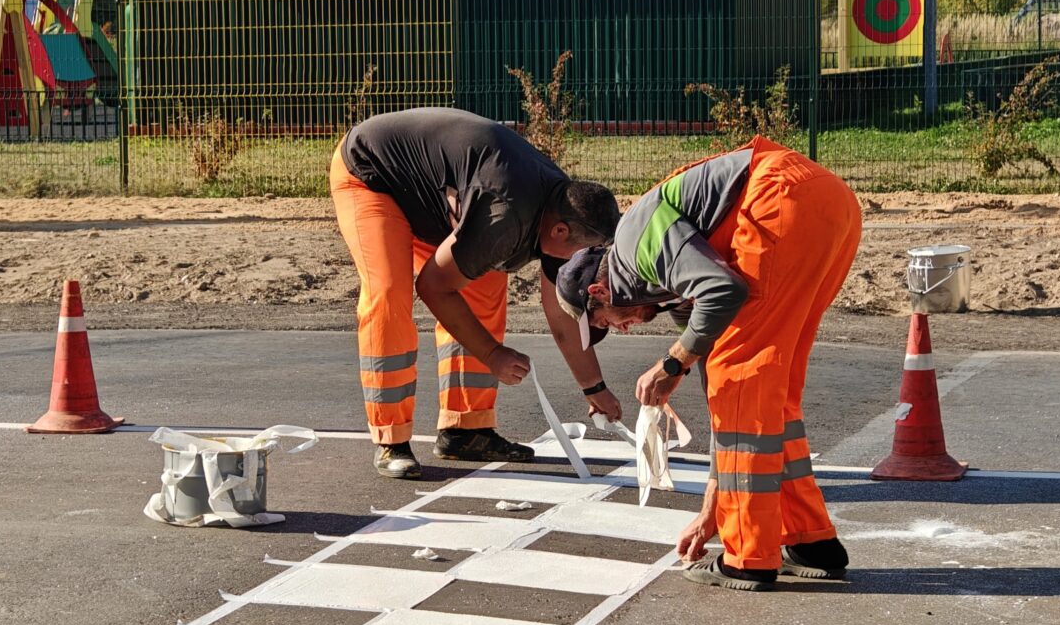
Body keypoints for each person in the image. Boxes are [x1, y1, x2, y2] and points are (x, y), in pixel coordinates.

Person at [554, 135, 862, 591]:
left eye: (606, 322)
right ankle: (810, 540)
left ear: (599, 293)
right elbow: (728, 418)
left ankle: (749, 557)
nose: (620, 329)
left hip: (779, 200)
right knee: (764, 392)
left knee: (743, 383)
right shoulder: (673, 288)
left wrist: (672, 363)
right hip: (828, 202)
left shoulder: (636, 242)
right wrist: (709, 512)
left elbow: (725, 292)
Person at [330, 107, 622, 480]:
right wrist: (492, 354)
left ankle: (465, 430)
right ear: (560, 232)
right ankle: (391, 439)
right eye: (574, 254)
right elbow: (433, 287)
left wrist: (593, 388)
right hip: (374, 175)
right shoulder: (504, 214)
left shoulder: (566, 208)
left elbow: (561, 311)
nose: (574, 262)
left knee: (484, 285)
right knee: (389, 292)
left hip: (436, 199)